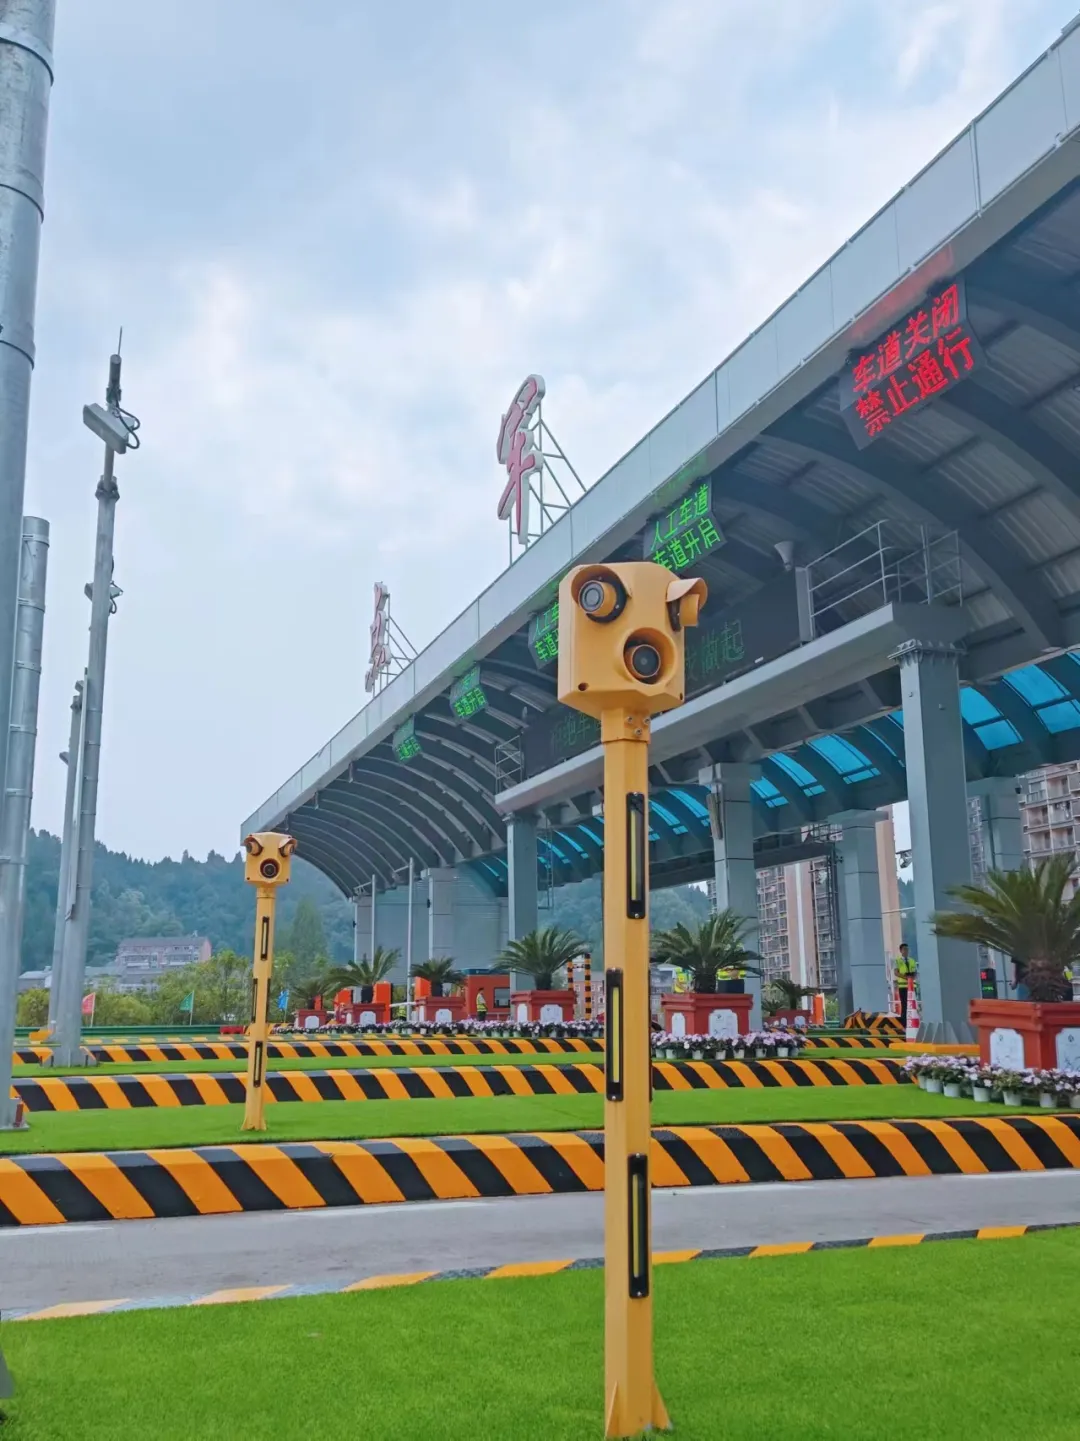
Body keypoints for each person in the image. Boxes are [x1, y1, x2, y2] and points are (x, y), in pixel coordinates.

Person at [895, 944, 917, 1027]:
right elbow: (896, 972)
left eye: (907, 949)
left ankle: (913, 1023)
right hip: (903, 987)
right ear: (901, 951)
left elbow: (915, 972)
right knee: (904, 1006)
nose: (906, 951)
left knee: (913, 1006)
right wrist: (906, 978)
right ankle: (904, 1024)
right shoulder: (897, 961)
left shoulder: (912, 961)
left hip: (912, 987)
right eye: (904, 949)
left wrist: (912, 977)